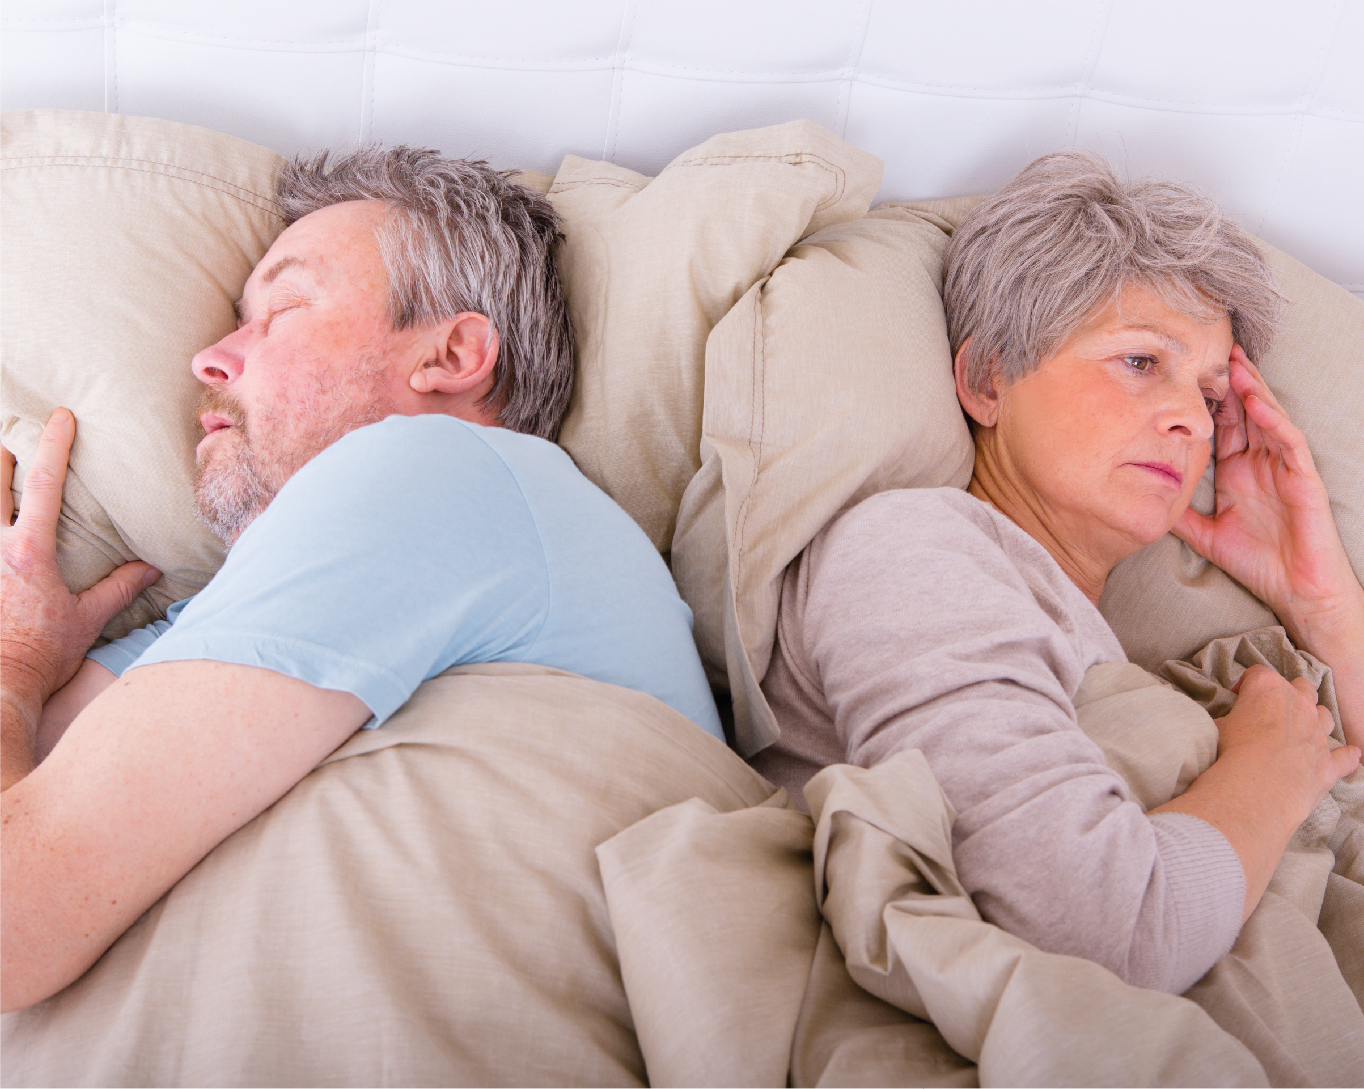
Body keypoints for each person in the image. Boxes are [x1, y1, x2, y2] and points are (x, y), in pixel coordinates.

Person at [1, 146, 722, 1013]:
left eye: (283, 310)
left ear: (453, 354)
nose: (209, 359)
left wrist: (15, 666)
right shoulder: (213, 618)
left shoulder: (441, 469)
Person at [749, 151, 1363, 994]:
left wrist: (1320, 600)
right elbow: (1106, 932)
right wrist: (1267, 770)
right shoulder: (913, 550)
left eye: (1212, 396)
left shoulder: (1084, 632)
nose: (1191, 419)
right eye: (1140, 361)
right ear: (986, 379)